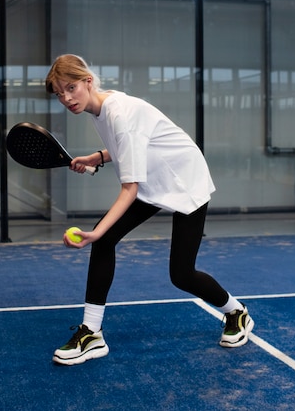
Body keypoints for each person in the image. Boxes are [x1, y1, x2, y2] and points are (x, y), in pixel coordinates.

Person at [45, 54, 254, 366]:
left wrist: (96, 231)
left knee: (181, 274)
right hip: (155, 177)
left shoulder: (119, 114)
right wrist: (98, 157)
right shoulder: (101, 107)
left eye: (71, 87)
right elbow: (132, 145)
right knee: (105, 242)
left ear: (88, 82)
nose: (66, 98)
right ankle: (92, 333)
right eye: (59, 93)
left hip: (185, 179)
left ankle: (236, 312)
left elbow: (129, 187)